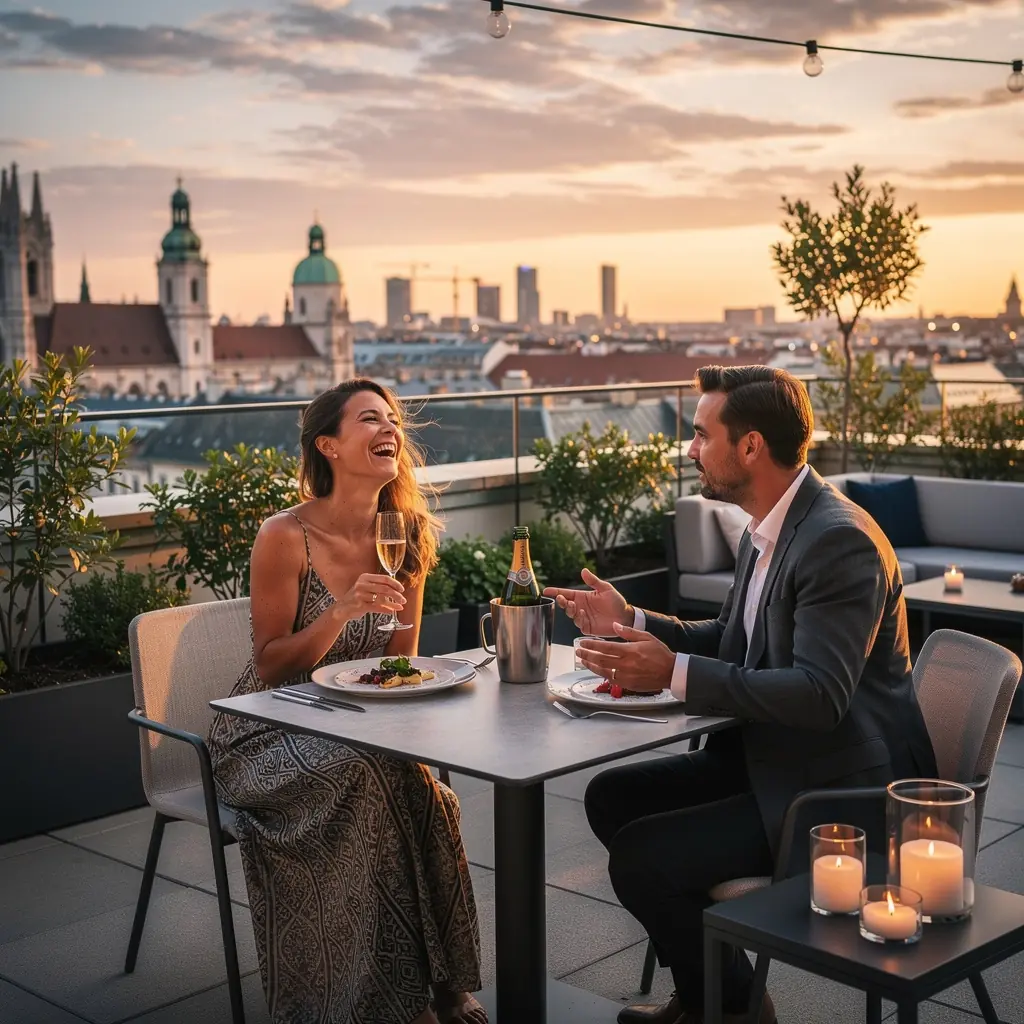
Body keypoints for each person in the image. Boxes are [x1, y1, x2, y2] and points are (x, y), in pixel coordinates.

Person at [545, 365, 937, 1024]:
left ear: (751, 446)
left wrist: (670, 672)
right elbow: (732, 638)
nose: (690, 449)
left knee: (645, 861)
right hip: (771, 763)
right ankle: (726, 998)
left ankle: (723, 1007)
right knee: (611, 797)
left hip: (838, 795)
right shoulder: (770, 526)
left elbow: (820, 696)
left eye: (701, 435)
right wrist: (632, 622)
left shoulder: (836, 540)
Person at [209, 379, 486, 1024]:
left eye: (392, 419)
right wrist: (340, 612)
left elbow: (399, 663)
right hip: (265, 729)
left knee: (425, 790)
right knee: (374, 780)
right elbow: (273, 663)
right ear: (329, 445)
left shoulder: (406, 532)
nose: (389, 428)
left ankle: (438, 982)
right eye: (369, 419)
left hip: (356, 724)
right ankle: (389, 999)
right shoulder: (284, 535)